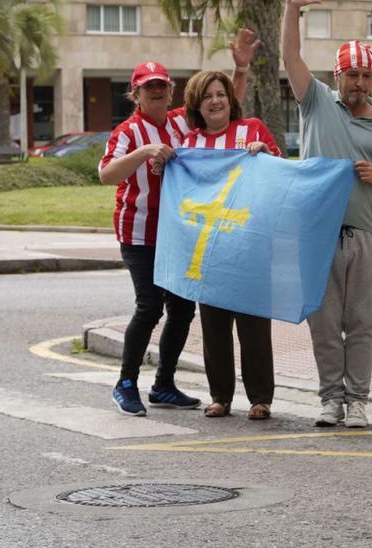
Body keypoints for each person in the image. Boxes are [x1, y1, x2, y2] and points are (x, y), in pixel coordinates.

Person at [98, 30, 259, 416]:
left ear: (170, 92)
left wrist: (240, 68)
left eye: (161, 86)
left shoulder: (179, 124)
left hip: (178, 233)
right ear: (134, 95)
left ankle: (164, 383)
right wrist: (144, 152)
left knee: (183, 308)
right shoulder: (128, 133)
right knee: (149, 307)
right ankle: (125, 383)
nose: (155, 92)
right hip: (138, 233)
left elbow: (224, 107)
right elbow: (106, 174)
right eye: (147, 87)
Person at [282, 0, 372, 428]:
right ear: (336, 77)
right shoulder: (316, 102)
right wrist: (292, 7)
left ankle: (357, 401)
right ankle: (330, 400)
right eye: (350, 75)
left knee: (361, 325)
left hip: (365, 238)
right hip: (318, 236)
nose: (358, 83)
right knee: (323, 325)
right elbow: (291, 57)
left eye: (364, 76)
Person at [180, 69, 282, 420]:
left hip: (249, 246)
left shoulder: (251, 129)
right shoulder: (190, 144)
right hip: (209, 250)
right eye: (207, 96)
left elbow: (279, 172)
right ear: (197, 105)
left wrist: (264, 152)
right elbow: (181, 189)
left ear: (230, 99)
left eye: (220, 94)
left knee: (254, 327)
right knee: (214, 328)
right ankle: (220, 396)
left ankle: (260, 398)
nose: (215, 101)